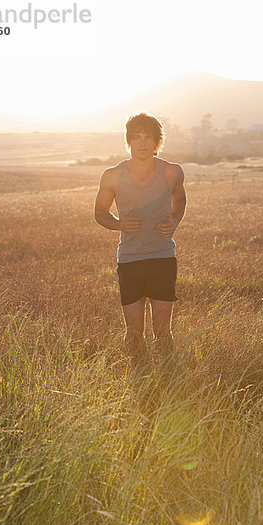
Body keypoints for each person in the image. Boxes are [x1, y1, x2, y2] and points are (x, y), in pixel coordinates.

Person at [94, 112, 186, 367]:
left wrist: (174, 221)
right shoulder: (112, 175)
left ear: (157, 141)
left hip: (162, 258)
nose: (142, 143)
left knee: (163, 333)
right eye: (137, 137)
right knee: (134, 334)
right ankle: (139, 382)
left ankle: (169, 381)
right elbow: (99, 213)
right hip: (130, 260)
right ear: (129, 141)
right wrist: (119, 224)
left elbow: (180, 200)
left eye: (148, 138)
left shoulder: (171, 172)